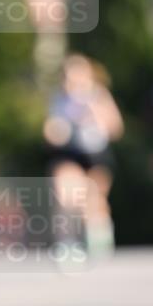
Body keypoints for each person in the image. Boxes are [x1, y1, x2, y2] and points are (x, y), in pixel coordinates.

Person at [43, 54, 123, 256]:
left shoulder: (99, 95)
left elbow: (116, 128)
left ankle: (99, 238)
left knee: (94, 200)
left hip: (96, 153)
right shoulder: (59, 99)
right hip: (69, 153)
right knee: (66, 195)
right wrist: (55, 131)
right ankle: (67, 243)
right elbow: (51, 132)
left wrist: (96, 115)